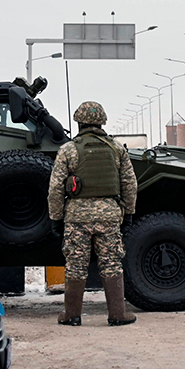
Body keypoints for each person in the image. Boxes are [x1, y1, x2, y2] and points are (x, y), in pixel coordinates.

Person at [47, 101, 138, 326]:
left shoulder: (68, 150)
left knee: (76, 265)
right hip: (109, 216)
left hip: (77, 218)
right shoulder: (117, 148)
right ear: (102, 122)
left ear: (79, 122)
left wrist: (56, 218)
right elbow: (130, 184)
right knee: (111, 263)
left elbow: (55, 188)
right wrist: (128, 214)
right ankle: (118, 314)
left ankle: (72, 315)